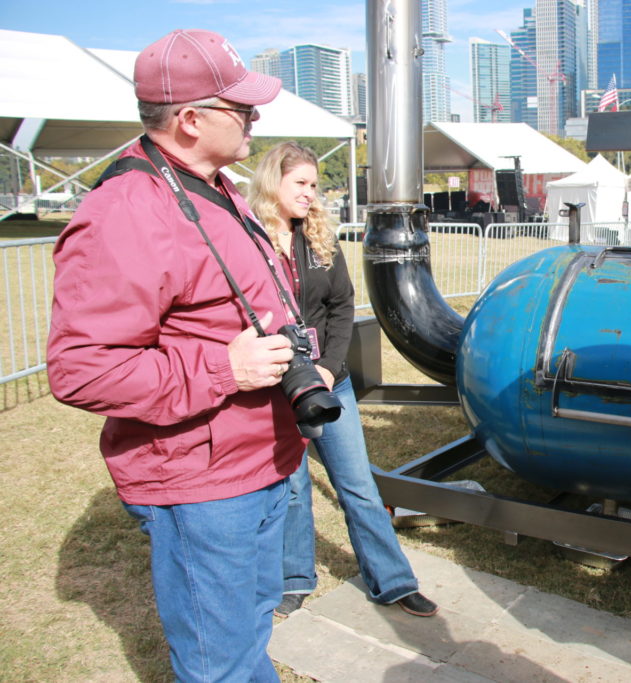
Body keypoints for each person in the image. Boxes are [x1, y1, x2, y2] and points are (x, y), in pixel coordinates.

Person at [47, 29, 302, 681]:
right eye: (241, 108)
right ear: (189, 119)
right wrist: (225, 369)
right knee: (219, 662)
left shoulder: (213, 185)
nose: (255, 117)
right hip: (203, 484)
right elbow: (82, 368)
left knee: (247, 638)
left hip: (256, 462)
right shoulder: (128, 210)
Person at [248, 142, 439, 619]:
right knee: (292, 489)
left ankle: (393, 582)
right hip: (276, 384)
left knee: (357, 484)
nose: (311, 194)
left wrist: (328, 371)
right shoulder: (247, 240)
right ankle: (294, 578)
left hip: (331, 382)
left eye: (314, 185)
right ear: (274, 183)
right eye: (301, 184)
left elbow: (341, 309)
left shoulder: (320, 240)